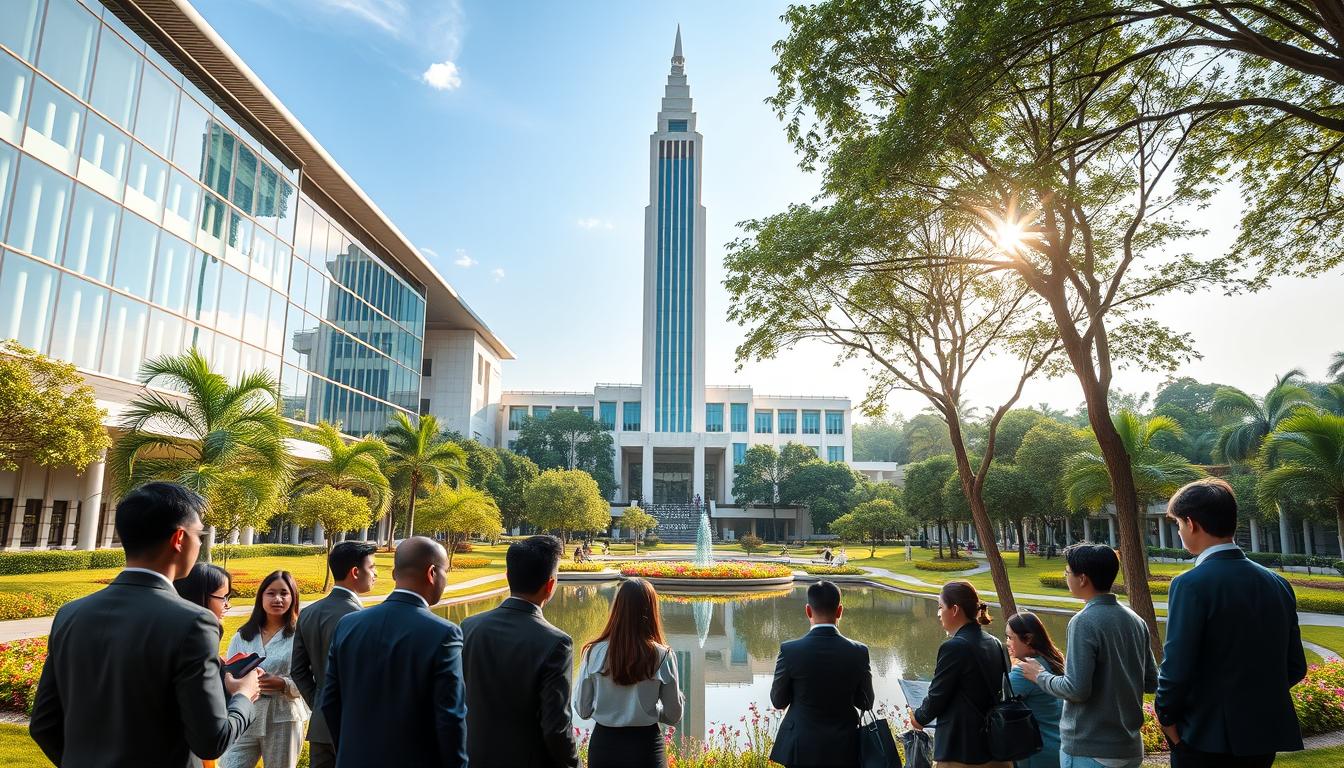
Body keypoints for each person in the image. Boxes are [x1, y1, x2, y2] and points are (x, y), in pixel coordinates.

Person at [30, 482, 260, 768]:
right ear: (179, 538)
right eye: (199, 534)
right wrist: (244, 696)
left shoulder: (71, 613)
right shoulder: (194, 623)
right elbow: (210, 740)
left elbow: (43, 724)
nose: (200, 543)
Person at [1156, 478, 1306, 767]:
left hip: (1204, 737)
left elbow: (1176, 670)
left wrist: (1167, 721)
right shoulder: (1278, 583)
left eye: (1177, 524)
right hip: (1262, 735)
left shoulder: (1190, 585)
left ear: (1191, 523)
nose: (1179, 532)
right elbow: (1295, 666)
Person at [320, 536, 467, 767]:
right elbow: (450, 718)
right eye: (446, 571)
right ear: (432, 573)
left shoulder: (348, 625)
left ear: (394, 574)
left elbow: (329, 702)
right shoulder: (443, 634)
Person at [1018, 544, 1158, 768]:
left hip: (1090, 751)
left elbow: (1076, 689)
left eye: (1067, 572)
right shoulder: (1135, 620)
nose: (1066, 577)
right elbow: (1151, 681)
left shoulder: (1084, 621)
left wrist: (1040, 675)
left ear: (1082, 578)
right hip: (1129, 749)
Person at [462, 535, 579, 768]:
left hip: (473, 759)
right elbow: (556, 727)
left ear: (508, 577)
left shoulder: (469, 627)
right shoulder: (556, 642)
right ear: (551, 585)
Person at [577, 578, 684, 768]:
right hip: (646, 747)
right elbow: (673, 715)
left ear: (617, 607)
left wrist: (608, 707)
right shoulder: (663, 655)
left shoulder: (593, 653)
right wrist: (649, 710)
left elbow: (583, 710)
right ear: (651, 609)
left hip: (605, 746)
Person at [769, 581, 875, 768]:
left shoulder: (790, 651)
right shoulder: (859, 651)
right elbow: (866, 703)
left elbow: (778, 701)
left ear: (808, 611)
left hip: (801, 746)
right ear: (840, 611)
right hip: (845, 747)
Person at [292, 541, 378, 768]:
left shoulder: (309, 613)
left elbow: (298, 671)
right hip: (356, 727)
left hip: (321, 726)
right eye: (372, 567)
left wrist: (320, 703)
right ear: (355, 572)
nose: (375, 573)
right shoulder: (363, 619)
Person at [908, 581, 1012, 768]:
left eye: (940, 607)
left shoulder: (955, 647)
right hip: (995, 748)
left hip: (963, 752)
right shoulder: (994, 642)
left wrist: (919, 717)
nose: (938, 614)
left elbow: (937, 696)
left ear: (954, 609)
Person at [221, 571, 309, 768]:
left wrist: (283, 684)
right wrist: (236, 683)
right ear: (261, 596)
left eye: (284, 593)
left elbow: (310, 680)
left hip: (284, 716)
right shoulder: (243, 636)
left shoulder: (301, 637)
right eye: (271, 593)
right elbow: (229, 675)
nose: (277, 599)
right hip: (245, 716)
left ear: (293, 598)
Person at [1006, 612, 1065, 768]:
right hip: (1060, 748)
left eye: (1011, 637)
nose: (1007, 642)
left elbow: (998, 702)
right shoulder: (1055, 661)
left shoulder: (1025, 671)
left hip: (1037, 752)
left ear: (1028, 638)